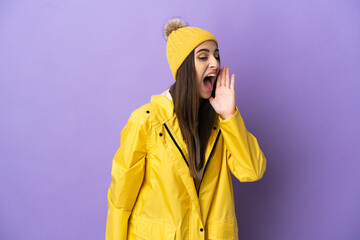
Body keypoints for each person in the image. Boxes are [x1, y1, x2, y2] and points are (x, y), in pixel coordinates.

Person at [105, 18, 266, 240]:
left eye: (217, 56)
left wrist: (229, 115)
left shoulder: (222, 124)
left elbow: (252, 171)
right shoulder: (146, 121)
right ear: (184, 67)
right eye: (203, 57)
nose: (215, 64)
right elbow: (120, 202)